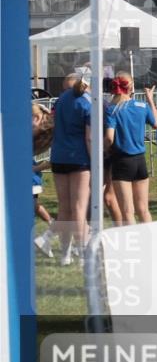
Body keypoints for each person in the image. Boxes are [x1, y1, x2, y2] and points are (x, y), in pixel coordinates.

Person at [49, 73, 92, 265]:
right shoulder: (86, 102)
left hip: (58, 156)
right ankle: (82, 253)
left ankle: (65, 254)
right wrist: (94, 160)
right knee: (79, 208)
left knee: (64, 207)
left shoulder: (59, 101)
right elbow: (89, 137)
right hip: (79, 158)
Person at [105, 73, 157, 225]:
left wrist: (99, 147)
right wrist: (150, 99)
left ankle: (132, 247)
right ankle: (150, 243)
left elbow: (109, 137)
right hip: (140, 160)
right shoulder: (142, 106)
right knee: (143, 209)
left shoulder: (113, 109)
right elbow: (155, 123)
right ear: (130, 87)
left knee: (128, 212)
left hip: (122, 161)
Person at [31, 103, 57, 257]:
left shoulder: (32, 134)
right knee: (34, 206)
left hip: (30, 178)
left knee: (32, 207)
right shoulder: (34, 134)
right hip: (31, 176)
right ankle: (52, 227)